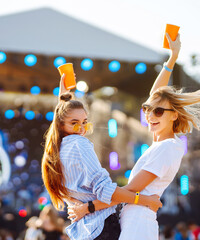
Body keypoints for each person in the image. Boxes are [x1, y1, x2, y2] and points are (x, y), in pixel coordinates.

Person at [68, 33, 200, 240]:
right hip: (134, 222)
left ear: (175, 115)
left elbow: (127, 190)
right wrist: (172, 59)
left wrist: (88, 207)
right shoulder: (161, 144)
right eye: (147, 109)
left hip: (138, 225)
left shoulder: (168, 147)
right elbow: (156, 95)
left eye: (158, 112)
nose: (150, 115)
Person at [41, 55, 166, 239]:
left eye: (84, 122)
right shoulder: (79, 144)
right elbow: (106, 190)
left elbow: (63, 114)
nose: (81, 129)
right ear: (61, 125)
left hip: (85, 232)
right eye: (75, 123)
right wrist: (144, 200)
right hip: (102, 228)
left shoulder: (55, 151)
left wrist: (64, 97)